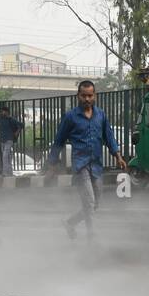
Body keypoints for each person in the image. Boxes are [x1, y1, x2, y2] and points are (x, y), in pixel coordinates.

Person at [48, 80, 127, 241]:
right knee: (89, 202)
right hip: (80, 165)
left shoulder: (101, 115)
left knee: (95, 203)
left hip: (96, 165)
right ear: (78, 96)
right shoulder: (70, 117)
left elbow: (109, 136)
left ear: (94, 96)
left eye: (90, 95)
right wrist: (52, 163)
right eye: (83, 96)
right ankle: (92, 239)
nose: (87, 99)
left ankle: (70, 223)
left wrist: (117, 155)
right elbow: (59, 140)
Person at [0, 105, 23, 177]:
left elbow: (21, 125)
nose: (2, 113)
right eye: (1, 111)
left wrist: (16, 132)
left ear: (7, 112)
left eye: (3, 111)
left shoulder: (11, 119)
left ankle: (4, 173)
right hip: (2, 140)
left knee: (5, 156)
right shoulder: (1, 120)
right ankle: (10, 172)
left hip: (9, 140)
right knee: (7, 157)